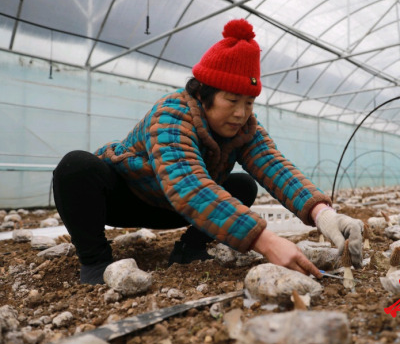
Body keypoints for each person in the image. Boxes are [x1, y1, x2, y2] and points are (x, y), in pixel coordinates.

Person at [52, 18, 364, 285]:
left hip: (173, 210)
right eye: (232, 100)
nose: (241, 113)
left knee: (242, 185)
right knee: (76, 167)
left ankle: (189, 249)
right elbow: (187, 184)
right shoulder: (171, 115)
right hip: (128, 197)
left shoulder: (243, 128)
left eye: (249, 102)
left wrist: (323, 214)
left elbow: (274, 166)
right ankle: (96, 262)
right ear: (203, 94)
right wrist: (266, 242)